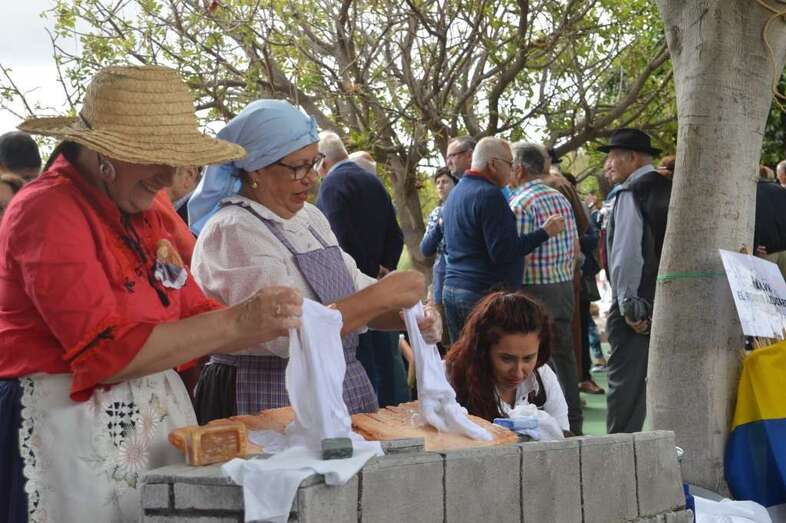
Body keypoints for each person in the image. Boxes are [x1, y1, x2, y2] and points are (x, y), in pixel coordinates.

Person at [0, 65, 307, 523]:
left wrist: (283, 319)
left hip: (148, 430)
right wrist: (237, 321)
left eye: (175, 158)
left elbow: (193, 309)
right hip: (66, 434)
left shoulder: (143, 210)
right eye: (153, 157)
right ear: (103, 155)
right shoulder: (47, 210)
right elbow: (104, 351)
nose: (166, 176)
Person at [188, 100, 436, 422]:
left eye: (314, 163)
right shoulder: (233, 229)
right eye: (298, 167)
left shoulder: (310, 219)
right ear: (257, 170)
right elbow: (286, 335)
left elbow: (355, 289)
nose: (310, 178)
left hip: (336, 385)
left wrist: (407, 316)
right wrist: (383, 294)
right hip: (269, 393)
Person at [315, 131, 409, 407]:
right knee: (387, 368)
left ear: (322, 160)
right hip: (378, 284)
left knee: (363, 366)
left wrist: (356, 275)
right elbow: (396, 234)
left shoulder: (331, 185)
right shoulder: (373, 181)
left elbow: (337, 240)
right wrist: (383, 269)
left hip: (351, 290)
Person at [441, 137, 565, 343]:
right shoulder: (489, 195)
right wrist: (544, 232)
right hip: (479, 293)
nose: (512, 171)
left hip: (454, 289)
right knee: (485, 365)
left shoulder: (457, 192)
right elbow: (503, 252)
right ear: (493, 164)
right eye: (509, 164)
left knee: (465, 363)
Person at [508, 142, 583, 434]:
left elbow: (520, 257)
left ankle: (547, 426)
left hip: (535, 291)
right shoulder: (560, 198)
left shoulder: (519, 203)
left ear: (519, 168)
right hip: (563, 286)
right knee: (565, 356)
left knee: (539, 364)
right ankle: (572, 424)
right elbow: (576, 248)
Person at [599, 128, 671, 433]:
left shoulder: (632, 193)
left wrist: (629, 306)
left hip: (638, 306)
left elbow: (627, 254)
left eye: (613, 157)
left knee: (626, 391)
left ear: (631, 157)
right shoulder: (668, 187)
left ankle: (619, 461)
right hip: (665, 299)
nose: (607, 165)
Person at [445, 290, 569, 435]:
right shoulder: (449, 380)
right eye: (507, 359)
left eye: (528, 358)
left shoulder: (544, 377)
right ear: (483, 350)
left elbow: (563, 439)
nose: (518, 371)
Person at [420, 166, 458, 349]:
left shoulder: (464, 207)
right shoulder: (437, 213)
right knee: (441, 320)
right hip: (442, 269)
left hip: (462, 271)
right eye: (438, 182)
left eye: (445, 181)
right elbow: (426, 248)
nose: (441, 186)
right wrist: (440, 226)